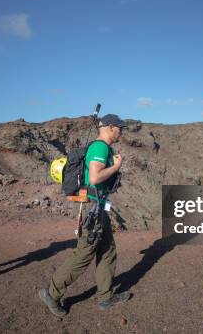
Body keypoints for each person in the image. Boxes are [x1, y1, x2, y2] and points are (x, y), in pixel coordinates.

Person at [39, 114, 131, 317]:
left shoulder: (103, 148)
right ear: (111, 127)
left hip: (99, 208)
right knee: (84, 254)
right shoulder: (100, 147)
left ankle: (105, 297)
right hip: (94, 210)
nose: (121, 132)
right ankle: (51, 293)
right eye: (120, 128)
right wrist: (116, 167)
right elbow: (95, 177)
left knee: (108, 251)